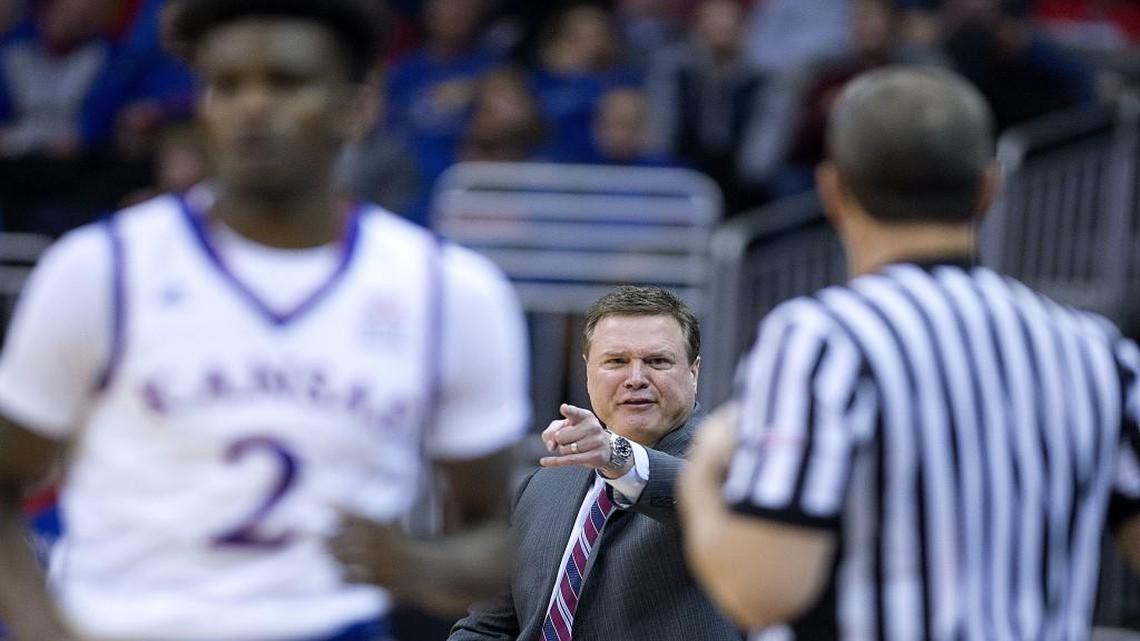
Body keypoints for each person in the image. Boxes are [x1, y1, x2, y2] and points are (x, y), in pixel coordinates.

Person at [0, 1, 530, 640]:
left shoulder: (450, 292)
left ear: (356, 107)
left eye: (286, 83)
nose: (251, 107)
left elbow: (495, 539)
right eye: (226, 85)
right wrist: (40, 628)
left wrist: (417, 564)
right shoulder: (99, 269)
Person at [679, 65, 1140, 640]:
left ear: (833, 191)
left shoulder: (823, 340)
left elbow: (763, 591)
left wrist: (700, 476)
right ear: (989, 188)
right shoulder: (1097, 351)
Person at [447, 286, 740, 641]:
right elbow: (487, 628)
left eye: (658, 361)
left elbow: (701, 493)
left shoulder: (731, 462)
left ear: (693, 372)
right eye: (616, 361)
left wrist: (614, 455)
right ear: (588, 372)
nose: (636, 378)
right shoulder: (541, 488)